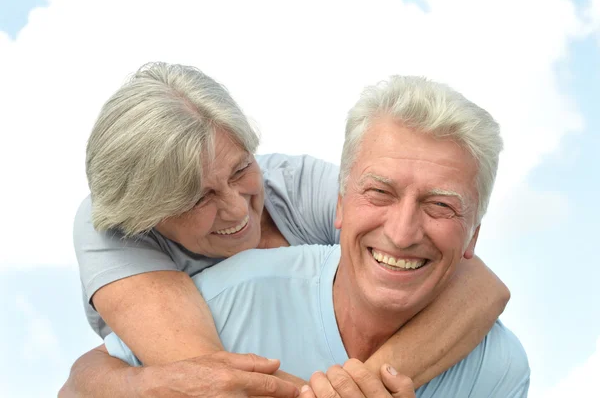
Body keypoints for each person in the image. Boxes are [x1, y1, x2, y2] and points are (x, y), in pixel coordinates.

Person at [60, 63, 509, 397]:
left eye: (240, 170)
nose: (239, 208)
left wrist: (372, 385)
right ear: (146, 214)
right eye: (200, 198)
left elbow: (479, 285)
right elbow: (217, 380)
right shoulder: (114, 233)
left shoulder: (293, 185)